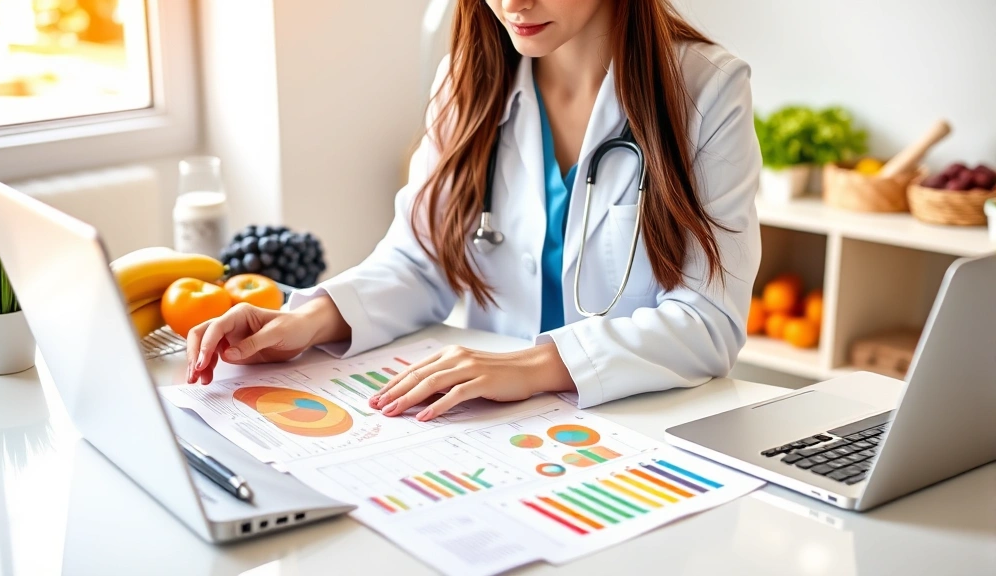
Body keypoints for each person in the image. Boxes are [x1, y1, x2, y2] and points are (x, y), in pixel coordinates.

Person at [187, 0, 761, 422]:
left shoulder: (708, 90)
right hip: (492, 429)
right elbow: (419, 262)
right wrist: (302, 322)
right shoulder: (467, 81)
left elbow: (708, 321)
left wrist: (534, 367)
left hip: (643, 425)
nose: (513, 4)